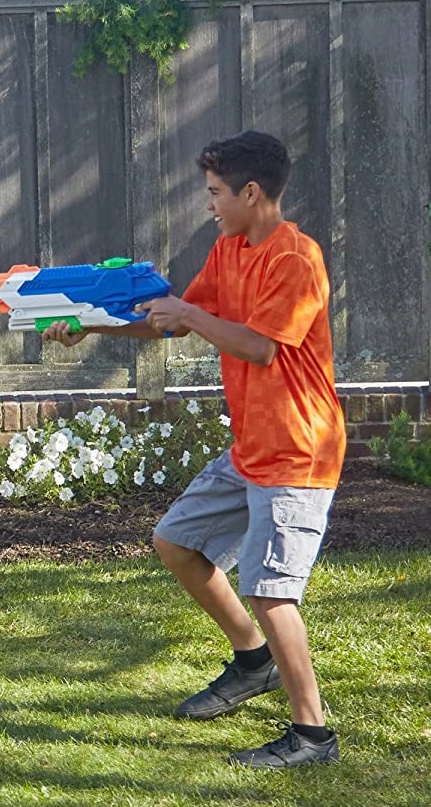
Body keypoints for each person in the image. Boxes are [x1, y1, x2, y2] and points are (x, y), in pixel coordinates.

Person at [45, 130, 345, 769]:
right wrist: (90, 325)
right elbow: (171, 319)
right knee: (176, 542)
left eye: (214, 193)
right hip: (252, 445)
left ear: (250, 192)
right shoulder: (229, 248)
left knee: (271, 592)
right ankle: (254, 660)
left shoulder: (296, 259)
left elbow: (261, 346)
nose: (208, 205)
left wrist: (188, 314)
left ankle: (313, 737)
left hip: (298, 448)